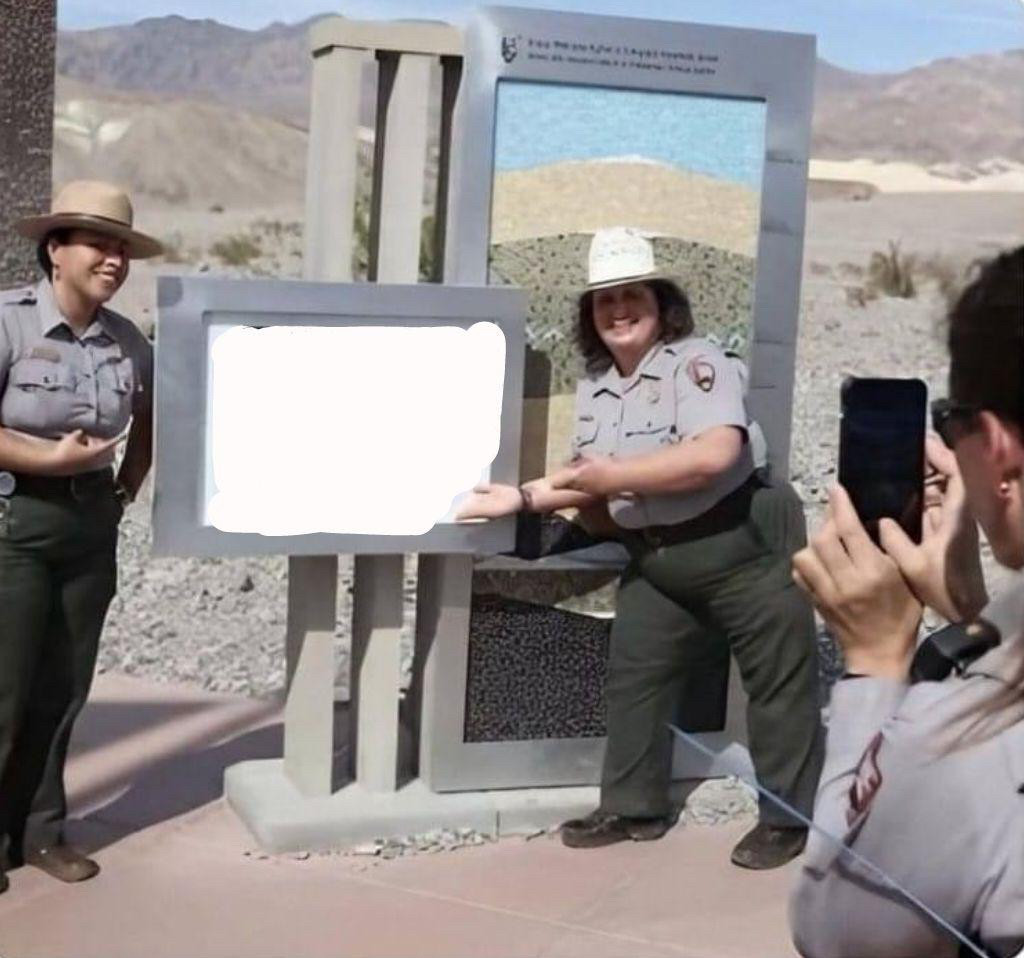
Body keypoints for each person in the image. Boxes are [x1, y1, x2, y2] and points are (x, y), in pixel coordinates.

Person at [458, 227, 824, 868]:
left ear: (661, 304)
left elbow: (715, 454)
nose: (619, 310)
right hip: (658, 557)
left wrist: (610, 480)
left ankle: (789, 820)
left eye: (633, 296)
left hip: (742, 546)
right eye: (605, 300)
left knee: (779, 687)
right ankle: (633, 807)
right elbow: (582, 479)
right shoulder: (599, 391)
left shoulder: (697, 362)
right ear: (590, 315)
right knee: (634, 680)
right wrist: (518, 500)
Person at [789, 246, 1024, 957]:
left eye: (953, 425)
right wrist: (978, 618)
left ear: (998, 446)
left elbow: (836, 928)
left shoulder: (957, 746)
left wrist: (874, 664)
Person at [0, 180, 161, 894]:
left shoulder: (128, 341)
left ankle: (38, 833)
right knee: (5, 685)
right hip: (16, 521)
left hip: (90, 524)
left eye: (121, 247)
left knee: (62, 688)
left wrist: (123, 490)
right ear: (55, 250)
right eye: (98, 243)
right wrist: (45, 461)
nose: (114, 259)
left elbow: (150, 420)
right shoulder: (8, 322)